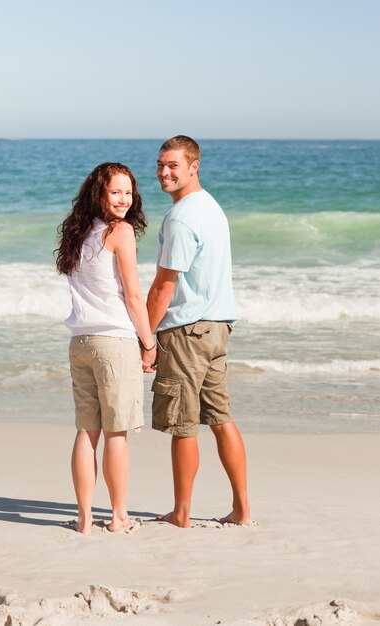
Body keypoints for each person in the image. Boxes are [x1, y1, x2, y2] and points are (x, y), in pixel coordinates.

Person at [146, 135, 250, 528]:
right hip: (217, 328)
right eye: (159, 165)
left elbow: (164, 287)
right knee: (221, 418)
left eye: (172, 165)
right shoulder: (212, 208)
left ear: (194, 167)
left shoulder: (182, 216)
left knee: (183, 425)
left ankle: (181, 513)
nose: (164, 173)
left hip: (187, 331)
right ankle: (242, 509)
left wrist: (144, 336)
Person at [56, 162, 156, 534]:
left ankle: (84, 519)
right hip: (114, 342)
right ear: (99, 193)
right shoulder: (120, 231)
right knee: (117, 434)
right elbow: (132, 295)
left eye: (129, 192)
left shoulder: (76, 232)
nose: (124, 200)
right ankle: (118, 517)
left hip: (80, 342)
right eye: (116, 192)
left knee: (87, 432)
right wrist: (149, 343)